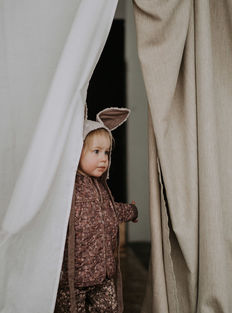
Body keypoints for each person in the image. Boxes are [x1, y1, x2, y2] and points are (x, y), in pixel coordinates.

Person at [54, 107, 138, 313]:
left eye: (107, 153)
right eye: (96, 151)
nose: (104, 159)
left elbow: (108, 211)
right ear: (76, 150)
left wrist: (131, 211)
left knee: (109, 308)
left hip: (103, 273)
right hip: (74, 278)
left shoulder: (101, 188)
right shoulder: (68, 187)